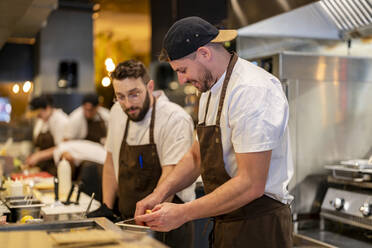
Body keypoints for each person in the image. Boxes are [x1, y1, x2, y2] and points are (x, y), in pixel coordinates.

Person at [134, 16, 294, 248]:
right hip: (227, 221)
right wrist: (159, 193)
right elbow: (197, 156)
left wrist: (183, 213)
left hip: (259, 227)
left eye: (183, 69)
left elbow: (251, 183)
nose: (181, 79)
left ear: (204, 53)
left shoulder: (251, 90)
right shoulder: (210, 89)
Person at [87, 59, 196, 247]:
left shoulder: (174, 119)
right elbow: (111, 162)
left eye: (134, 94)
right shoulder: (116, 112)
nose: (128, 104)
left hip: (167, 227)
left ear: (150, 87)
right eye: (120, 97)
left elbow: (170, 177)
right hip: (129, 224)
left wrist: (143, 224)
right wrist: (107, 207)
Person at [26, 95, 68, 176]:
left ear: (48, 108)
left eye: (39, 114)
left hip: (56, 167)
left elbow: (61, 147)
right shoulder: (41, 121)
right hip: (43, 167)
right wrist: (33, 157)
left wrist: (39, 156)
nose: (38, 117)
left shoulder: (61, 121)